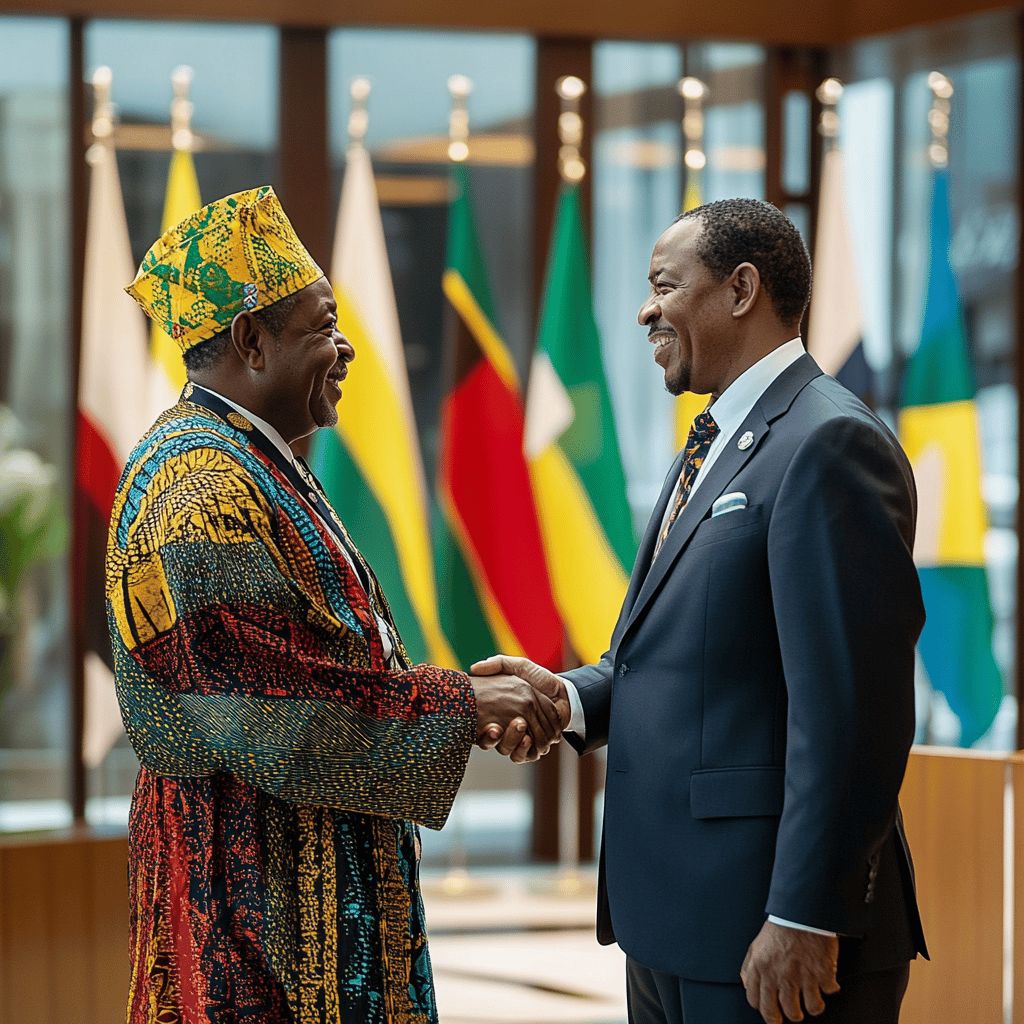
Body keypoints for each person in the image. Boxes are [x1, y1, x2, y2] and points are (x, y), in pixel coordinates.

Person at [109, 185, 561, 1023]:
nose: (347, 348)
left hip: (296, 881)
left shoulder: (250, 460)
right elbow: (262, 704)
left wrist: (462, 702)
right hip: (253, 910)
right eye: (323, 326)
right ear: (251, 340)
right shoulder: (197, 487)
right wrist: (460, 705)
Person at [474, 199, 928, 1024]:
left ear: (741, 289)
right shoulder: (716, 438)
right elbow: (675, 655)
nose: (645, 310)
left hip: (769, 932)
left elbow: (854, 711)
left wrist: (804, 912)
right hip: (672, 921)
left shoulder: (829, 442)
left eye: (664, 285)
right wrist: (567, 699)